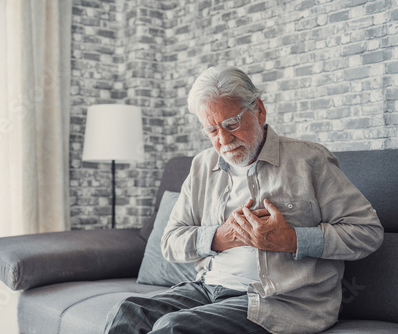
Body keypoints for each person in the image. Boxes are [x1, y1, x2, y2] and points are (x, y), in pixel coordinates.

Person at [103, 65, 384, 334]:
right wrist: (219, 237)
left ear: (258, 111)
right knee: (128, 312)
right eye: (211, 130)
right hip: (209, 289)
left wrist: (291, 239)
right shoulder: (202, 166)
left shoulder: (310, 160)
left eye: (231, 123)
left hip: (280, 301)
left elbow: (368, 232)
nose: (223, 139)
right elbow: (170, 242)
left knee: (174, 328)